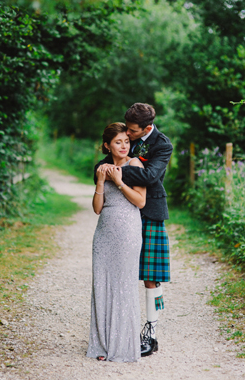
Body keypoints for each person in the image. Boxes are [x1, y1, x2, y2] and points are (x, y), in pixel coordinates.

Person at [94, 103, 173, 356]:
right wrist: (102, 172)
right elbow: (99, 166)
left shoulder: (162, 144)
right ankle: (114, 331)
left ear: (147, 128)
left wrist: (115, 173)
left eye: (132, 131)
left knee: (151, 276)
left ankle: (151, 332)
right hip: (119, 216)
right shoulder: (127, 135)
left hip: (148, 211)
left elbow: (150, 177)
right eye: (125, 130)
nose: (127, 136)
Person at [87, 123, 146, 362]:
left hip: (128, 231)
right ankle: (102, 345)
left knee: (123, 284)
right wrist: (101, 182)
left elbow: (140, 202)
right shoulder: (101, 167)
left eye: (126, 142)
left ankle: (123, 345)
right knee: (102, 285)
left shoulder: (135, 165)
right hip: (104, 234)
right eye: (118, 142)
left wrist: (120, 182)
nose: (124, 146)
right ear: (107, 145)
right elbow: (97, 209)